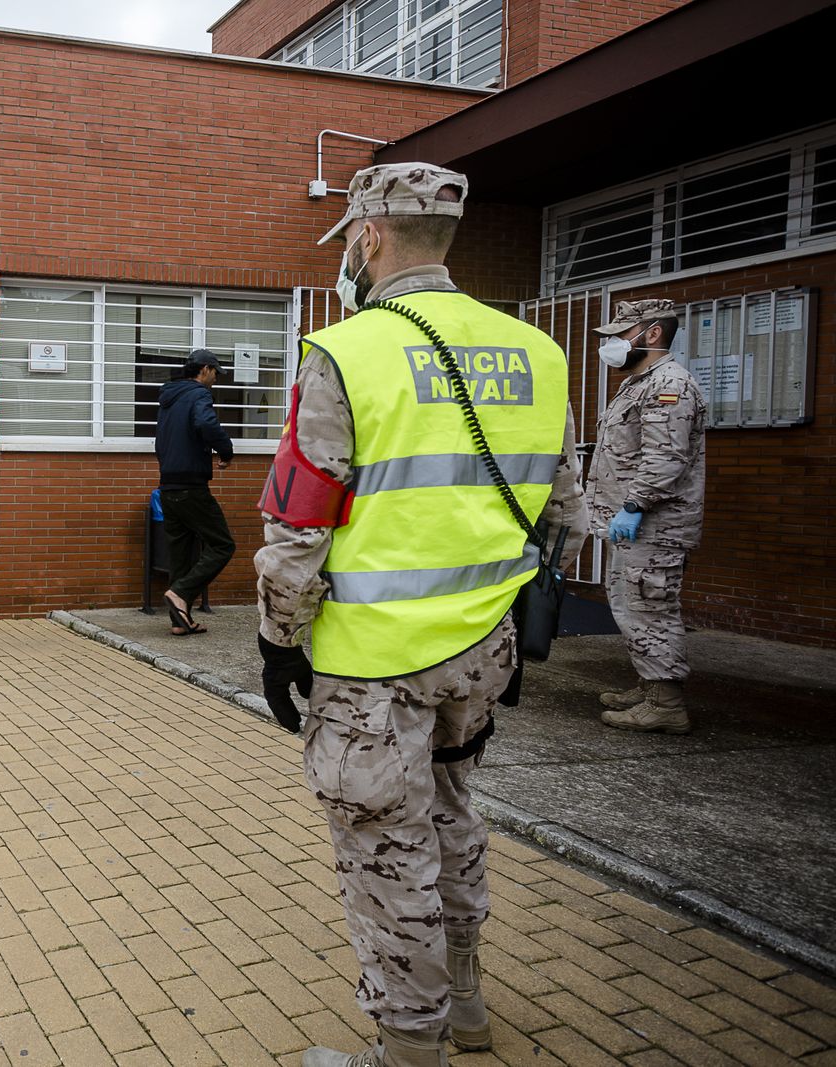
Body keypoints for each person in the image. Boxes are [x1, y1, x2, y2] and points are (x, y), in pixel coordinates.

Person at [254, 163, 588, 1067]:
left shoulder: (346, 352)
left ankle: (410, 1050)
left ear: (367, 237)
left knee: (384, 848)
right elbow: (566, 513)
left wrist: (277, 639)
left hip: (372, 665)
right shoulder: (539, 352)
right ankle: (468, 1004)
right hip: (482, 650)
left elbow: (297, 525)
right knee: (452, 815)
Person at [588, 299, 706, 734]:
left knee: (651, 608)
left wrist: (634, 506)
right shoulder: (640, 384)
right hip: (633, 525)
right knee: (631, 604)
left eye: (621, 335)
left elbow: (666, 459)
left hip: (654, 524)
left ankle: (666, 704)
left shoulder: (669, 385)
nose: (613, 345)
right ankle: (650, 685)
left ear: (651, 334)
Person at [154, 348, 236, 635]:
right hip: (191, 485)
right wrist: (226, 450)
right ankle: (180, 592)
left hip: (168, 485)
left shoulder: (169, 397)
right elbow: (205, 423)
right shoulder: (198, 394)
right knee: (223, 545)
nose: (216, 379)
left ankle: (180, 620)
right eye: (215, 372)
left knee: (182, 553)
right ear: (204, 369)